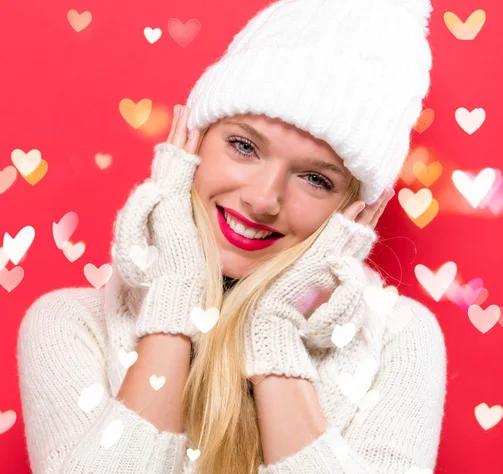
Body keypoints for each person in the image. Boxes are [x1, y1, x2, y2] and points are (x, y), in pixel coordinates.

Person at [17, 0, 447, 473]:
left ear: (354, 209)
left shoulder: (398, 338)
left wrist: (276, 325)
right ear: (193, 143)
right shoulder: (72, 325)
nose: (264, 199)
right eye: (244, 146)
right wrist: (176, 293)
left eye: (316, 179)